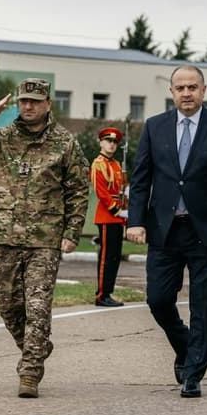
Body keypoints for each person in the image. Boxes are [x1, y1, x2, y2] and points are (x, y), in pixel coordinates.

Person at [0, 78, 89, 398]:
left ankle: (30, 371)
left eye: (34, 101)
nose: (27, 106)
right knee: (7, 304)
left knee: (37, 306)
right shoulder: (1, 138)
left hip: (45, 239)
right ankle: (38, 345)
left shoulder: (64, 142)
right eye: (22, 101)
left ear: (47, 104)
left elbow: (79, 190)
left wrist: (72, 232)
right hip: (6, 236)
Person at [126, 65, 207, 399]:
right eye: (181, 88)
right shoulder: (154, 127)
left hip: (206, 230)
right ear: (172, 92)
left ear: (204, 91)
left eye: (193, 87)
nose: (187, 93)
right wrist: (135, 220)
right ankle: (184, 344)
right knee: (158, 299)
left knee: (203, 304)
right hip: (164, 230)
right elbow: (141, 180)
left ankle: (193, 373)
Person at [91, 126, 128, 307]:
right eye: (108, 141)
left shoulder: (116, 165)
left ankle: (108, 292)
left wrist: (126, 207)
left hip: (119, 215)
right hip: (107, 215)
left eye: (114, 142)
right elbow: (102, 192)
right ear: (101, 142)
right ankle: (101, 294)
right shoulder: (98, 164)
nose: (112, 145)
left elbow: (120, 190)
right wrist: (117, 210)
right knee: (106, 257)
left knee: (114, 256)